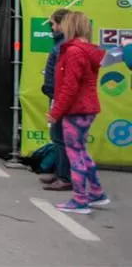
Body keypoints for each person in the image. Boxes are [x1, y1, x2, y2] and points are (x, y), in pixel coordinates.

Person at [47, 12, 109, 215]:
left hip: (76, 109)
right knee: (81, 151)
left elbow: (69, 86)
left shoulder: (73, 52)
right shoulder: (89, 50)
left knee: (75, 154)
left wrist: (56, 112)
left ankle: (81, 198)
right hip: (86, 107)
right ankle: (97, 192)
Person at [39, 9, 73, 191]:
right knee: (57, 137)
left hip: (60, 97)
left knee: (61, 138)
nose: (51, 27)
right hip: (56, 95)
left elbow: (65, 76)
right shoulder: (60, 44)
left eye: (52, 24)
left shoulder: (64, 46)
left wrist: (54, 92)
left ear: (61, 24)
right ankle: (60, 173)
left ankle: (65, 177)